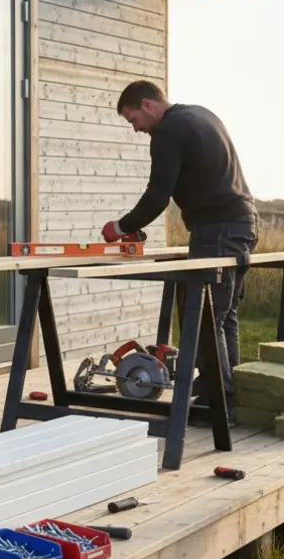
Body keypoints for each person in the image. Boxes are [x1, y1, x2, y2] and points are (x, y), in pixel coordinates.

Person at [100, 80, 258, 421]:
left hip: (217, 229)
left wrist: (121, 227)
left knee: (203, 318)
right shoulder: (200, 115)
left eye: (134, 121)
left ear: (148, 105)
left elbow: (158, 195)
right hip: (241, 223)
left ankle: (218, 401)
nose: (137, 129)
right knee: (222, 316)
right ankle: (226, 397)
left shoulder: (168, 131)